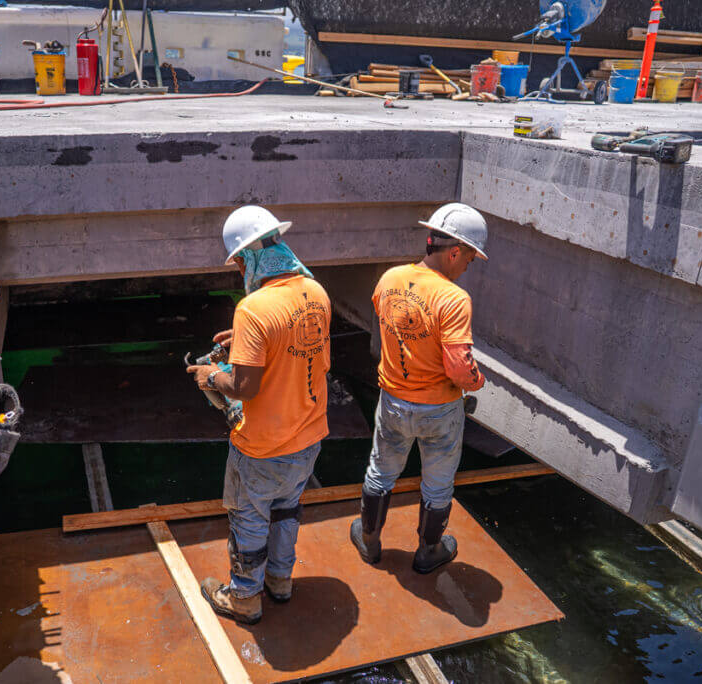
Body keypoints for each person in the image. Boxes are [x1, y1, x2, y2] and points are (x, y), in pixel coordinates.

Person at [187, 205, 331, 625]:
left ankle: (245, 597)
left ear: (247, 256)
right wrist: (248, 341)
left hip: (264, 446)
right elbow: (308, 351)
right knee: (286, 511)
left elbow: (245, 387)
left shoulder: (253, 308)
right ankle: (280, 582)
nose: (238, 272)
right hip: (309, 439)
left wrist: (211, 374)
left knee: (249, 518)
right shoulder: (315, 291)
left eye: (237, 263)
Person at [350, 203, 488, 575]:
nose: (466, 268)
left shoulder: (389, 279)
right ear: (455, 251)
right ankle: (428, 552)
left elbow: (385, 337)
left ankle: (369, 540)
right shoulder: (454, 298)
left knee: (381, 472)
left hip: (393, 401)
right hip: (439, 409)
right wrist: (477, 381)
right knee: (438, 483)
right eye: (469, 260)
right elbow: (460, 367)